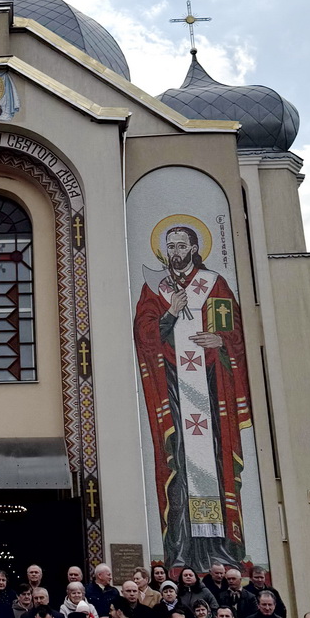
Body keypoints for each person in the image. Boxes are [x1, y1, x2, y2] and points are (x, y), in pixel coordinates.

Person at [133, 221, 252, 569]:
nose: (176, 252)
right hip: (173, 387)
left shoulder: (213, 283)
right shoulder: (155, 288)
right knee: (178, 462)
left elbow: (234, 333)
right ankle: (181, 547)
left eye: (181, 246)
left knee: (214, 459)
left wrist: (220, 341)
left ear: (194, 249)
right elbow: (144, 334)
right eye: (170, 246)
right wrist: (171, 311)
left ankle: (220, 548)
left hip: (210, 388)